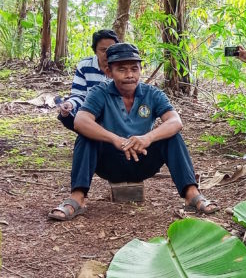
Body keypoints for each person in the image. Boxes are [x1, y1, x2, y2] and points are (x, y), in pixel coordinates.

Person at [49, 43, 217, 221]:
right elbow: (80, 121)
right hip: (110, 163)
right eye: (121, 69)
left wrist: (147, 138)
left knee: (172, 136)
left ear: (140, 70)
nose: (129, 75)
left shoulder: (152, 94)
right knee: (86, 137)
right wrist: (115, 139)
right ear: (109, 71)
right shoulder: (99, 93)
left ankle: (191, 194)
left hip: (143, 161)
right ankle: (77, 197)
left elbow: (176, 121)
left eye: (134, 69)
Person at [58, 29, 119, 131]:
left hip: (118, 113)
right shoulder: (85, 66)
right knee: (66, 117)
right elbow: (80, 95)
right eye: (103, 50)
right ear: (95, 51)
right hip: (92, 112)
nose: (107, 54)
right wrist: (70, 104)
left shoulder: (122, 66)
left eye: (111, 49)